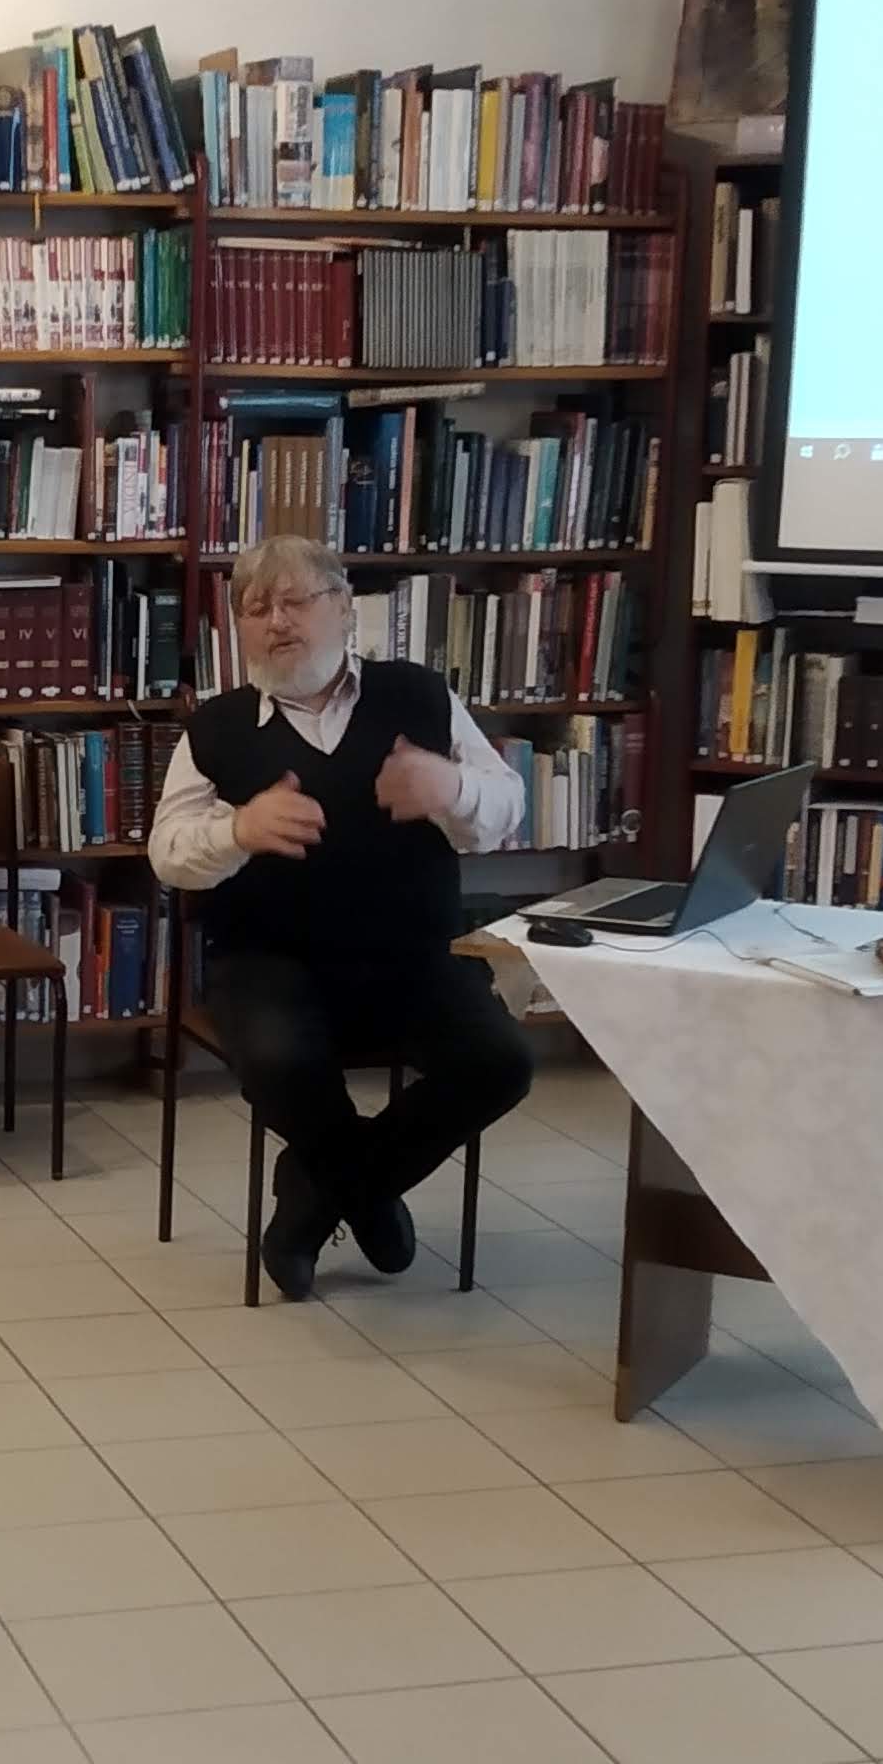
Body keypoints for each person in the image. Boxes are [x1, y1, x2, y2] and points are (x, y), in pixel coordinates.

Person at [147, 531, 536, 1299]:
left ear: (344, 609)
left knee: (501, 1064)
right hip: (269, 962)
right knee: (280, 1064)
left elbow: (505, 807)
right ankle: (367, 1193)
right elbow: (167, 852)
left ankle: (315, 1193)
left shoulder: (419, 697)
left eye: (295, 601)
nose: (277, 621)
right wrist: (237, 831)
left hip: (412, 959)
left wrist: (452, 790)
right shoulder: (216, 728)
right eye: (256, 608)